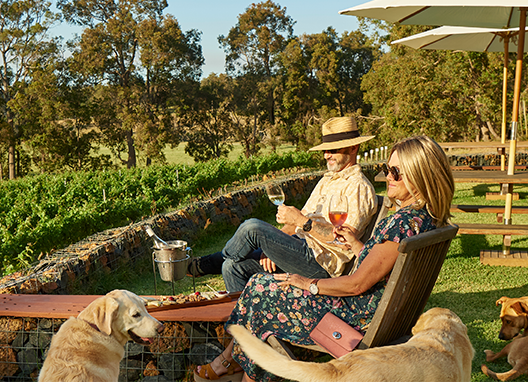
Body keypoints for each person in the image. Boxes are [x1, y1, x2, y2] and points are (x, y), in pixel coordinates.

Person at [192, 135, 455, 382]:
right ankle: (231, 363)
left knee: (260, 289)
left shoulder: (401, 224)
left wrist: (308, 283)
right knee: (262, 288)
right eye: (388, 169)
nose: (388, 176)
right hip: (379, 313)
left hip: (354, 318)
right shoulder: (423, 220)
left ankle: (232, 365)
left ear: (421, 177)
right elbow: (381, 269)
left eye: (396, 172)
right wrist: (356, 245)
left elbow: (357, 284)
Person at [189, 116, 384, 293]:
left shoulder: (358, 187)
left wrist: (303, 221)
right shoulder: (328, 180)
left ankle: (205, 265)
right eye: (325, 150)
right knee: (232, 267)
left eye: (333, 150)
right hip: (299, 249)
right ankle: (244, 326)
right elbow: (295, 223)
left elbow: (343, 239)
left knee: (252, 227)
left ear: (353, 148)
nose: (326, 155)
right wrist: (271, 249)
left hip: (320, 264)